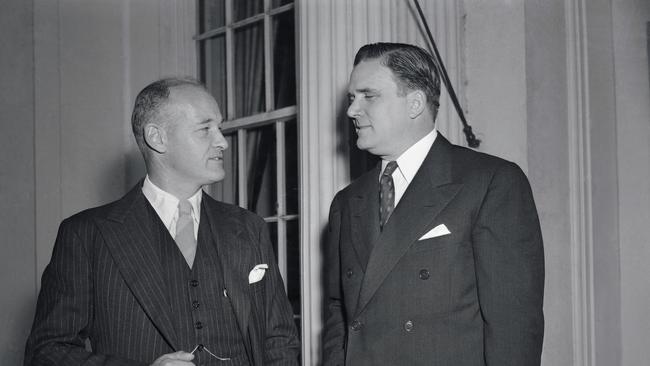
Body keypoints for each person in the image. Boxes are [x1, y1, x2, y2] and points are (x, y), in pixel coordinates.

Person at [25, 78, 300, 366]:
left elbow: (279, 340)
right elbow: (46, 353)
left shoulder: (248, 227)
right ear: (157, 138)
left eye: (218, 127)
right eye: (205, 129)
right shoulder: (86, 236)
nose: (222, 141)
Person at [322, 43, 544, 366]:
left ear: (415, 104)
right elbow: (337, 319)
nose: (352, 111)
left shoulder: (491, 184)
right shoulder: (345, 203)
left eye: (368, 96)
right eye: (351, 98)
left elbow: (514, 331)